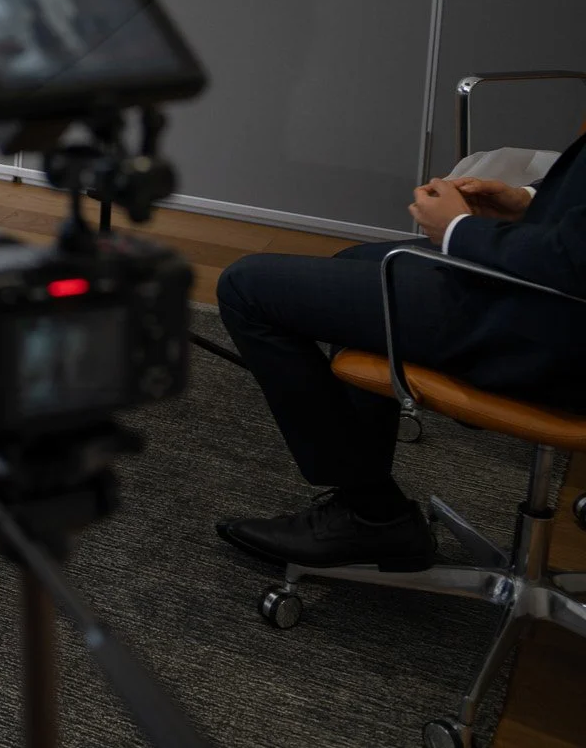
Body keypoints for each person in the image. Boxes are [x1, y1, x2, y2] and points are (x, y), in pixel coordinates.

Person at [215, 135, 586, 569]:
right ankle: (368, 506)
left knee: (244, 288)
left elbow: (575, 266)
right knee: (354, 262)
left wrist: (459, 230)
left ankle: (370, 514)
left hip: (545, 335)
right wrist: (527, 202)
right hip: (547, 307)